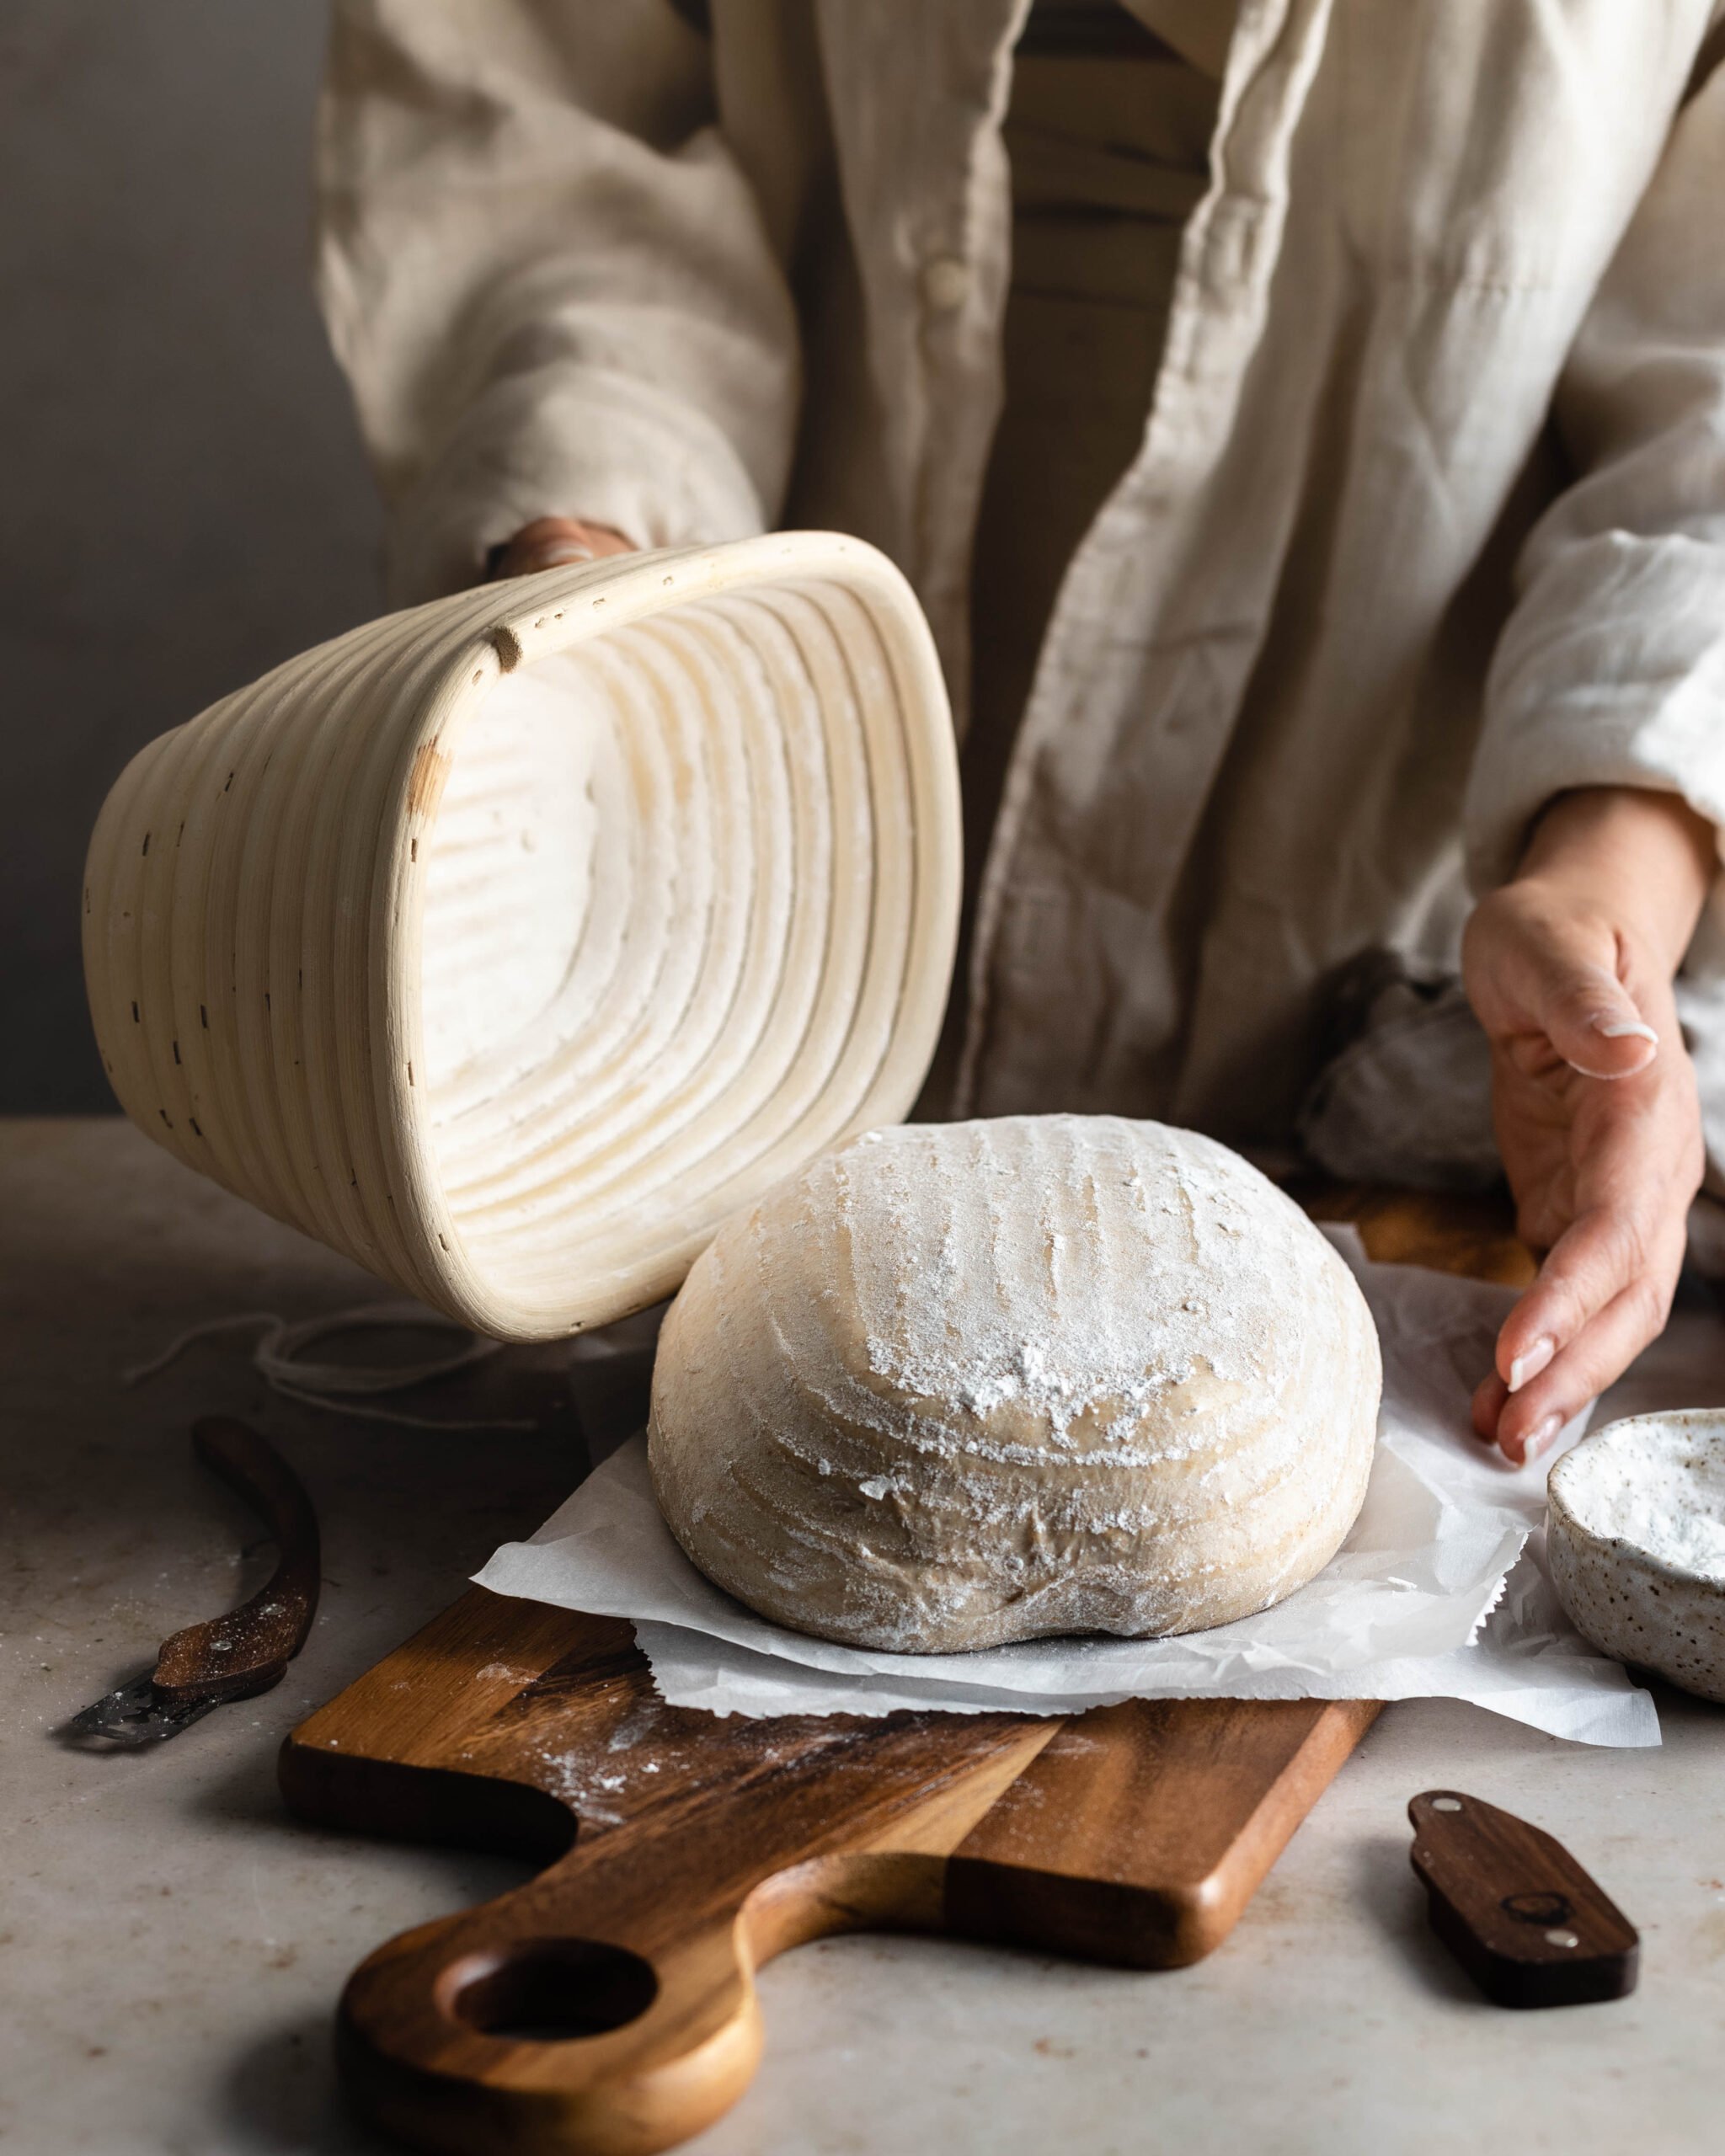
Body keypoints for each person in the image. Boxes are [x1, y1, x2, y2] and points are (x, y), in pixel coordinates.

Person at [313, 0, 1725, 1465]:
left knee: (1262, 1409)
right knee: (770, 1296)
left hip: (1395, 851)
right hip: (768, 721)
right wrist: (598, 577)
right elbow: (545, 112)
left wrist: (1606, 890)